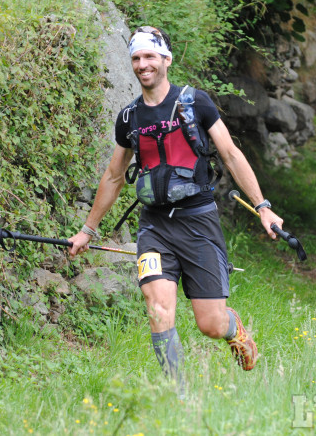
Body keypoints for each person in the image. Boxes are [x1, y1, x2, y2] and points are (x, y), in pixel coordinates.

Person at [67, 26, 283, 385]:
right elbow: (113, 176)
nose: (142, 64)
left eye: (149, 56)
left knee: (210, 324)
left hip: (198, 222)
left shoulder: (195, 102)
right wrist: (87, 230)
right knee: (158, 310)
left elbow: (230, 154)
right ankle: (178, 394)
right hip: (154, 227)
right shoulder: (129, 117)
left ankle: (233, 328)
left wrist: (263, 207)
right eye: (136, 58)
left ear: (166, 59)